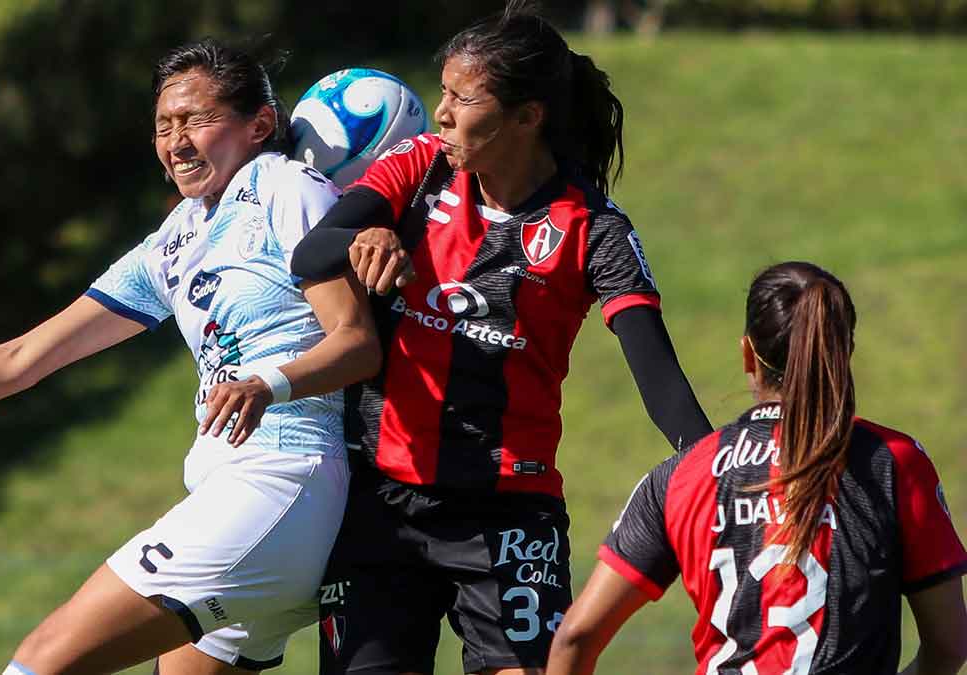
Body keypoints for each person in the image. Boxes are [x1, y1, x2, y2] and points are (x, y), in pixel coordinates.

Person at [0, 39, 381, 675]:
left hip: (276, 484)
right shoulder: (176, 240)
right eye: (164, 125)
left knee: (42, 662)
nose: (176, 141)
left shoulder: (283, 185)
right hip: (239, 498)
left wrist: (267, 383)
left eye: (196, 120)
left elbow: (356, 343)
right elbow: (23, 357)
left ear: (260, 124)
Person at [290, 3, 712, 673]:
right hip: (381, 506)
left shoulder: (593, 228)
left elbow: (660, 381)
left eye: (462, 97)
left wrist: (722, 468)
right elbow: (313, 253)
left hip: (508, 515)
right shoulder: (419, 168)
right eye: (444, 92)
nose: (442, 112)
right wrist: (366, 235)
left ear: (527, 115)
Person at [547, 261, 967, 675]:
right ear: (845, 352)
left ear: (748, 354)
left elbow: (576, 638)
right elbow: (948, 645)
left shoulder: (684, 474)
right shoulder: (894, 462)